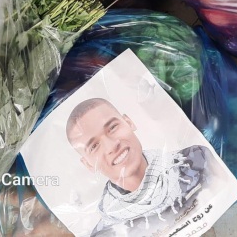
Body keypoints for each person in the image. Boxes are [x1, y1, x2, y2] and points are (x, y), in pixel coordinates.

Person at [66, 98, 220, 236]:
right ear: (88, 164)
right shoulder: (106, 234)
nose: (111, 146)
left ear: (129, 122)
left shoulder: (198, 160)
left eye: (112, 127)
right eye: (94, 146)